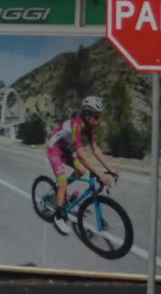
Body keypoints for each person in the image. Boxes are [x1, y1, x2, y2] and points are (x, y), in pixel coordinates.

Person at [44, 95, 119, 230]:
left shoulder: (90, 130)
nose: (98, 121)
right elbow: (82, 156)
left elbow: (96, 151)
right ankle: (58, 217)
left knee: (82, 171)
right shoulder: (76, 127)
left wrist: (110, 168)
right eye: (96, 117)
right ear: (86, 115)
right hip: (54, 148)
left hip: (65, 150)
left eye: (99, 117)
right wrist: (100, 173)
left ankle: (60, 190)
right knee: (63, 183)